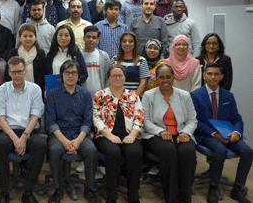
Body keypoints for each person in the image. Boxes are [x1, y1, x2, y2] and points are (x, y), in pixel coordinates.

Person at [191, 63, 252, 203]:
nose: (213, 77)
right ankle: (212, 188)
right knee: (220, 150)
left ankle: (237, 189)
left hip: (228, 134)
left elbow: (236, 118)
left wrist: (237, 132)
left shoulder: (228, 96)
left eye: (216, 74)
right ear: (204, 75)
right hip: (206, 134)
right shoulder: (195, 95)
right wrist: (214, 134)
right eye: (210, 74)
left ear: (221, 76)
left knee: (248, 152)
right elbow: (196, 121)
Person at [46, 60, 101, 203]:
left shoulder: (85, 94)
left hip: (80, 134)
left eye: (74, 73)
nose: (70, 76)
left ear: (78, 75)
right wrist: (64, 141)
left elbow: (87, 121)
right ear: (62, 75)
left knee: (91, 151)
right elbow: (51, 122)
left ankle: (90, 189)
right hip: (59, 134)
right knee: (55, 150)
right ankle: (58, 190)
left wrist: (77, 141)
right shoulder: (53, 94)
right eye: (67, 73)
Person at [141, 64, 197, 203]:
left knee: (187, 151)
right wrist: (160, 131)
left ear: (173, 77)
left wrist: (186, 133)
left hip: (180, 133)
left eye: (168, 77)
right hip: (156, 134)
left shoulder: (184, 95)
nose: (165, 80)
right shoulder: (148, 95)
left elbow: (192, 120)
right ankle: (171, 198)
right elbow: (145, 121)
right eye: (161, 77)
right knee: (168, 150)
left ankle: (185, 197)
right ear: (156, 79)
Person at [0, 56, 46, 203]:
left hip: (28, 131)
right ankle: (4, 192)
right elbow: (1, 118)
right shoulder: (1, 90)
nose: (17, 75)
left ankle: (28, 192)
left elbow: (35, 116)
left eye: (20, 71)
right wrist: (16, 140)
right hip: (7, 131)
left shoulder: (35, 89)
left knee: (41, 145)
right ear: (9, 72)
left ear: (25, 71)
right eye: (14, 72)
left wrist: (23, 137)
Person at [93, 65, 144, 203]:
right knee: (113, 153)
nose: (117, 78)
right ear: (108, 78)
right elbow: (96, 118)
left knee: (135, 153)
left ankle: (133, 194)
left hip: (129, 135)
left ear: (125, 78)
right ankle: (111, 196)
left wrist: (133, 135)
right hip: (105, 136)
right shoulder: (100, 95)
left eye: (120, 75)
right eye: (114, 76)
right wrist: (110, 136)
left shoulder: (133, 96)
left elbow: (139, 117)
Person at [5, 25, 46, 92]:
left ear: (35, 38)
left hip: (35, 91)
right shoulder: (13, 53)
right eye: (25, 36)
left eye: (31, 36)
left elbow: (43, 74)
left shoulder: (40, 53)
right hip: (15, 90)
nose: (28, 39)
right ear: (20, 38)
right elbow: (7, 74)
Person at [111, 32, 149, 97]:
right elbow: (111, 80)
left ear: (135, 44)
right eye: (124, 41)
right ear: (121, 43)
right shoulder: (114, 59)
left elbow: (143, 83)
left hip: (135, 99)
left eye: (130, 41)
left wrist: (133, 99)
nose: (127, 44)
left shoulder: (142, 60)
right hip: (116, 98)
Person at [81, 25, 110, 97]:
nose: (91, 39)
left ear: (98, 40)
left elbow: (108, 78)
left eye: (94, 38)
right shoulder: (77, 56)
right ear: (84, 38)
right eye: (88, 37)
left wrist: (105, 94)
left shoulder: (104, 56)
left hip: (100, 97)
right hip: (81, 97)